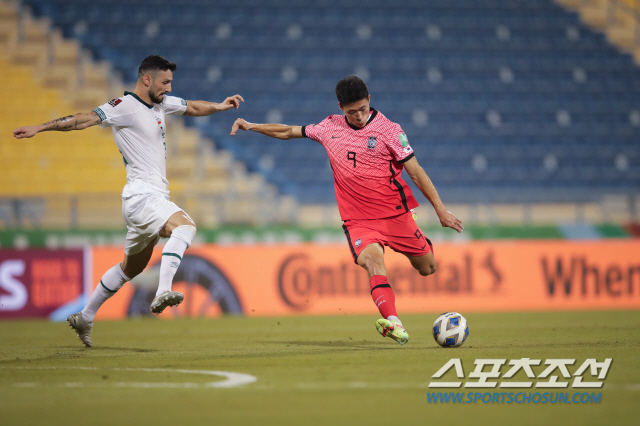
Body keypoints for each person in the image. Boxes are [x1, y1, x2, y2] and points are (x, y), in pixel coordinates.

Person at [13, 55, 244, 347]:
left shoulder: (160, 103)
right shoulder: (125, 107)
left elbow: (192, 107)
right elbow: (83, 120)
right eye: (164, 82)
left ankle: (85, 316)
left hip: (144, 203)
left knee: (129, 269)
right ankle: (163, 290)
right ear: (146, 79)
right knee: (185, 227)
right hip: (143, 196)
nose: (169, 88)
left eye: (170, 82)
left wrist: (221, 106)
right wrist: (39, 128)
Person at [231, 75, 463, 345]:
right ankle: (394, 322)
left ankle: (419, 243)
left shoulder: (389, 130)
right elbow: (287, 131)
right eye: (352, 112)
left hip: (396, 215)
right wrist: (251, 126)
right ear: (341, 107)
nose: (359, 116)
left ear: (369, 101)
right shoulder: (328, 127)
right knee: (374, 263)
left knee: (428, 268)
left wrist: (441, 210)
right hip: (359, 220)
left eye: (363, 109)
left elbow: (416, 172)